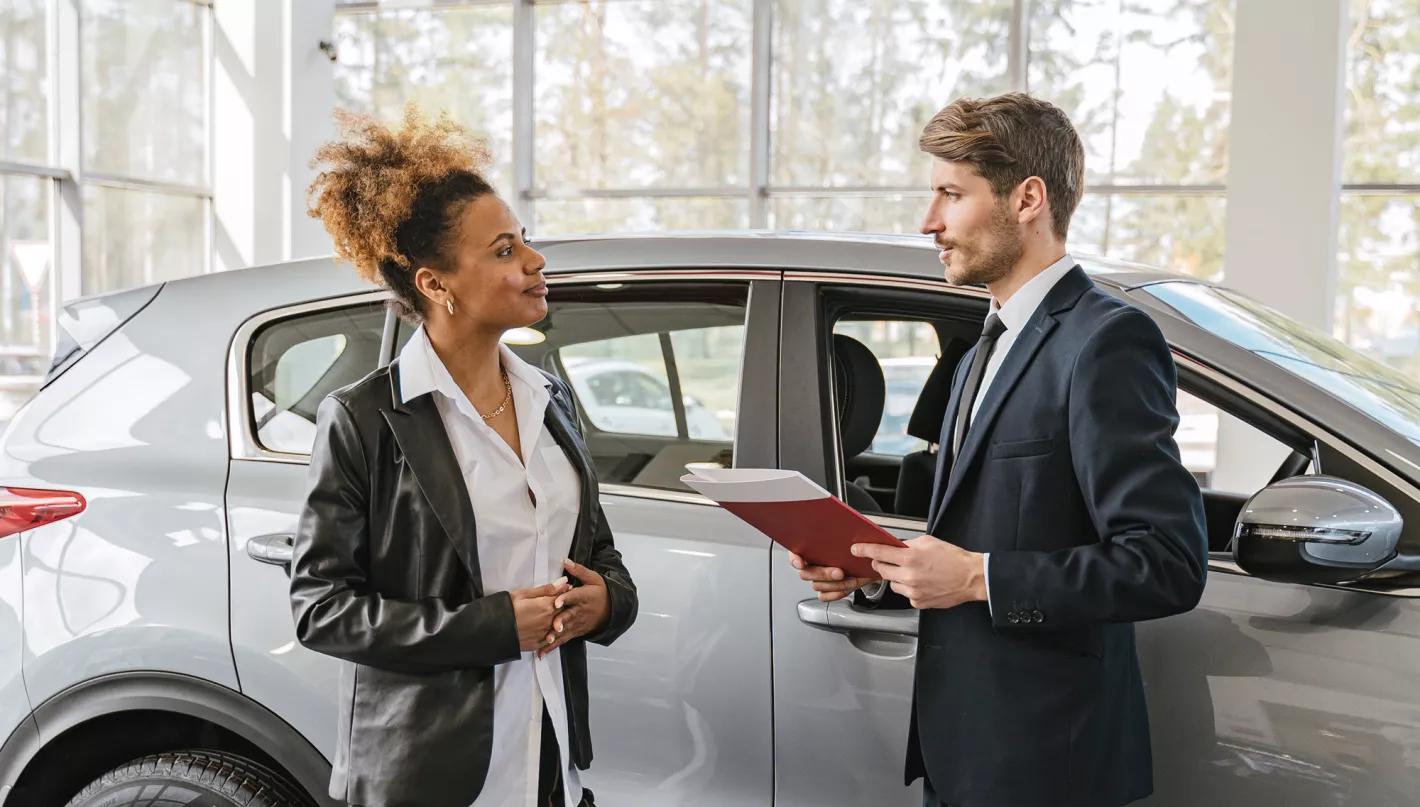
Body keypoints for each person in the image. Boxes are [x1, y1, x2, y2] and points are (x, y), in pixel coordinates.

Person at [791, 92, 1208, 807]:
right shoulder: (983, 346)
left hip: (1050, 768)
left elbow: (1166, 563)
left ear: (1028, 198)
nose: (930, 223)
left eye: (951, 195)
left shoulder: (1106, 341)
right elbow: (976, 542)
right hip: (961, 757)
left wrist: (979, 578)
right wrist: (875, 571)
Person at [291, 108, 637, 807]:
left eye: (525, 242)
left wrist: (606, 604)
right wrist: (492, 626)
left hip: (549, 756)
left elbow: (598, 554)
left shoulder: (550, 398)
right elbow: (320, 607)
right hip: (432, 775)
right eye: (504, 250)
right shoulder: (364, 419)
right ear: (435, 283)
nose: (535, 261)